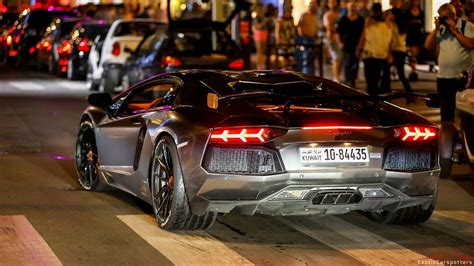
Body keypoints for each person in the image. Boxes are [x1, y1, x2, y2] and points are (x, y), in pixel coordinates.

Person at [424, 3, 474, 123]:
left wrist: (455, 31)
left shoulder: (466, 26)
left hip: (463, 78)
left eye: (445, 17)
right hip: (444, 77)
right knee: (446, 111)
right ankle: (448, 137)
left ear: (453, 15)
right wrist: (436, 28)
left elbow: (471, 44)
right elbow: (427, 45)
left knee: (466, 112)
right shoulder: (440, 29)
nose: (444, 20)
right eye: (441, 17)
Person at [356, 3, 393, 95]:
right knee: (381, 79)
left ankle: (371, 98)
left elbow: (363, 37)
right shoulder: (388, 24)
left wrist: (359, 49)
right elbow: (390, 41)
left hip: (370, 54)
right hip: (382, 54)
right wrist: (389, 54)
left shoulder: (368, 22)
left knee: (371, 80)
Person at [385, 0, 412, 95]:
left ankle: (386, 91)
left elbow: (390, 40)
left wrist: (389, 53)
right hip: (401, 50)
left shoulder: (392, 25)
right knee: (400, 73)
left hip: (394, 50)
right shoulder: (402, 26)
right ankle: (409, 92)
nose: (389, 15)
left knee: (386, 72)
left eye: (391, 14)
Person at [337, 0, 364, 87]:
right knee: (347, 65)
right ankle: (347, 83)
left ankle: (352, 82)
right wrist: (340, 43)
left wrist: (360, 45)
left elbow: (363, 34)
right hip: (346, 46)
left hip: (357, 46)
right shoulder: (343, 19)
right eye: (351, 5)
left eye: (354, 5)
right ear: (347, 6)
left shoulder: (360, 20)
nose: (352, 7)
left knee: (355, 66)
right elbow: (338, 33)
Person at [296, 0, 319, 75]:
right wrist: (302, 36)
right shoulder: (304, 15)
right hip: (306, 39)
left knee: (312, 58)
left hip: (313, 39)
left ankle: (311, 75)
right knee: (307, 58)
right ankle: (306, 75)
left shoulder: (315, 16)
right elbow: (298, 26)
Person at [404, 0, 424, 81]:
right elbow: (405, 23)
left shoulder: (421, 12)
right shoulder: (407, 12)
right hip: (410, 34)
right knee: (412, 53)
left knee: (416, 53)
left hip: (418, 34)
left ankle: (414, 70)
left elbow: (423, 23)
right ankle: (413, 70)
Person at [323, 0, 342, 82]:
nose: (333, 4)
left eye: (334, 2)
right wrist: (337, 30)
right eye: (331, 2)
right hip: (332, 39)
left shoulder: (339, 14)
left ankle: (338, 76)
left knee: (340, 59)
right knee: (336, 58)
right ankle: (336, 78)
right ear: (328, 4)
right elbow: (329, 27)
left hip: (339, 40)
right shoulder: (327, 15)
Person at [275, 4, 297, 69]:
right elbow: (277, 32)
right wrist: (279, 42)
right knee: (284, 61)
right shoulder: (280, 20)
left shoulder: (291, 19)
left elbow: (292, 29)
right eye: (289, 10)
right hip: (283, 43)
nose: (290, 12)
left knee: (292, 60)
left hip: (290, 42)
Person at [253, 3, 268, 70]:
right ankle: (259, 65)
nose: (263, 9)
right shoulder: (256, 17)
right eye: (262, 8)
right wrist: (263, 23)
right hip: (258, 33)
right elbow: (257, 27)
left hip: (264, 33)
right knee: (259, 50)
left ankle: (262, 64)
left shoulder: (264, 17)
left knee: (263, 50)